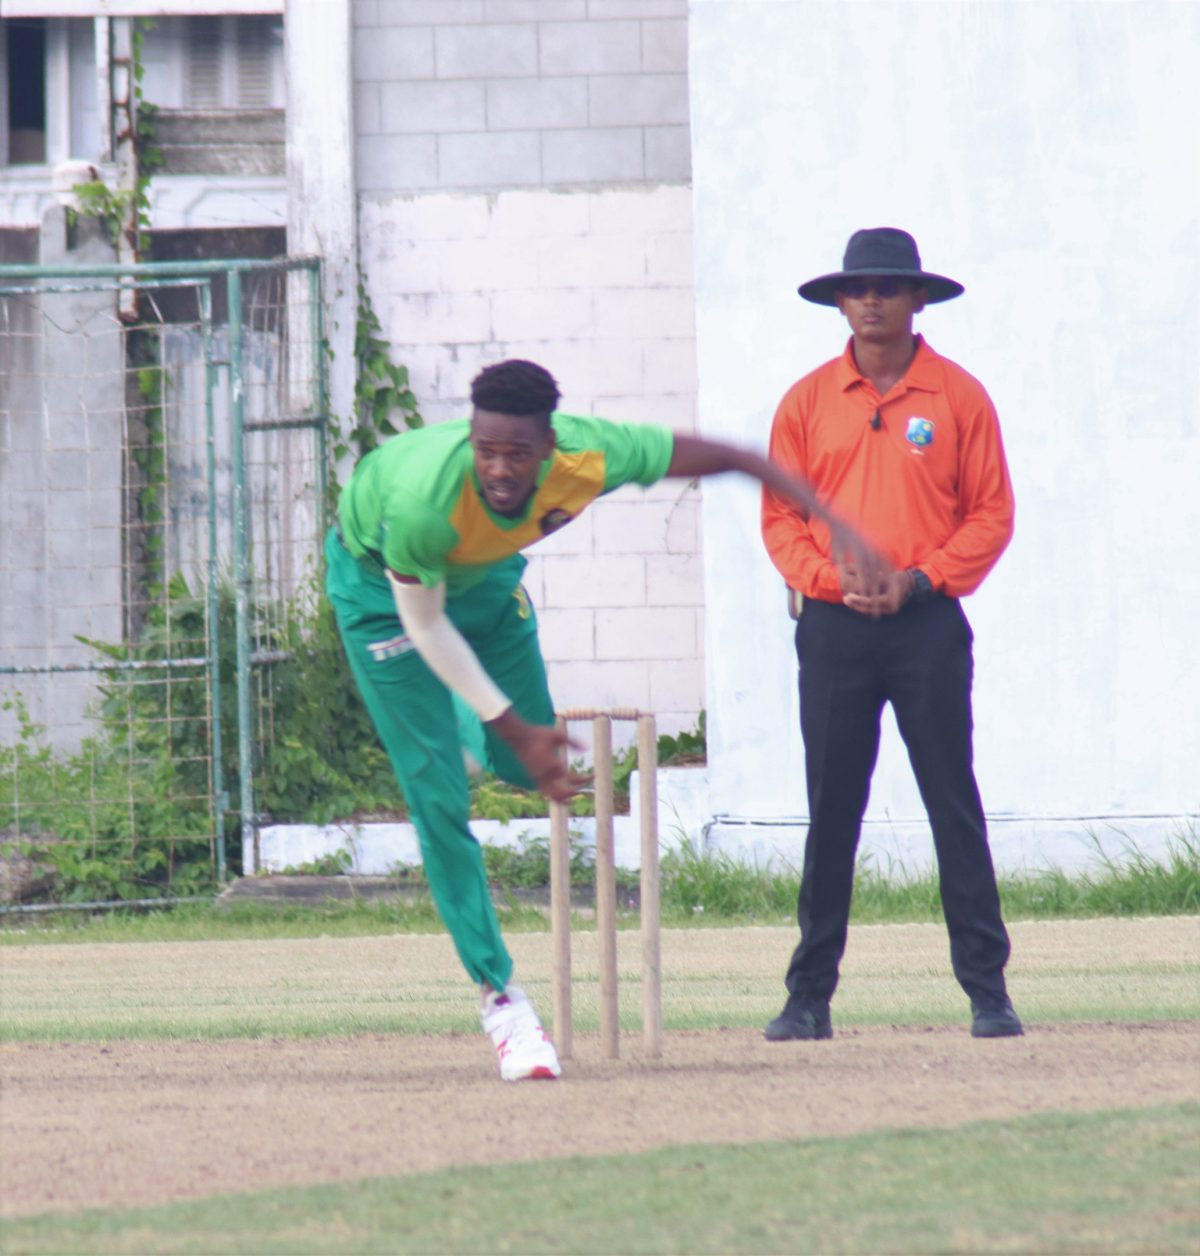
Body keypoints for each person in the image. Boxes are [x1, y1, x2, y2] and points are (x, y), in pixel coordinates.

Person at [327, 358, 883, 1081]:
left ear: (550, 447)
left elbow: (732, 457)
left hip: (488, 586)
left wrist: (838, 523)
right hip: (386, 595)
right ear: (469, 437)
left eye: (518, 454)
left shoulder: (593, 455)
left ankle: (465, 709)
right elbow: (426, 627)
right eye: (486, 450)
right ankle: (502, 1000)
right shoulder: (419, 501)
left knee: (511, 764)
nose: (499, 470)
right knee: (436, 786)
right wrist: (513, 723)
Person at [760, 227, 1023, 1041]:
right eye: (856, 287)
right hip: (835, 629)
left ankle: (989, 991)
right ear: (839, 301)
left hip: (926, 625)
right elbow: (781, 520)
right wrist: (833, 582)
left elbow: (991, 515)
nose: (870, 300)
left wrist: (918, 580)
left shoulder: (958, 397)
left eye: (886, 286)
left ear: (918, 299)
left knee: (953, 802)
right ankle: (808, 998)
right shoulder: (806, 402)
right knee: (831, 809)